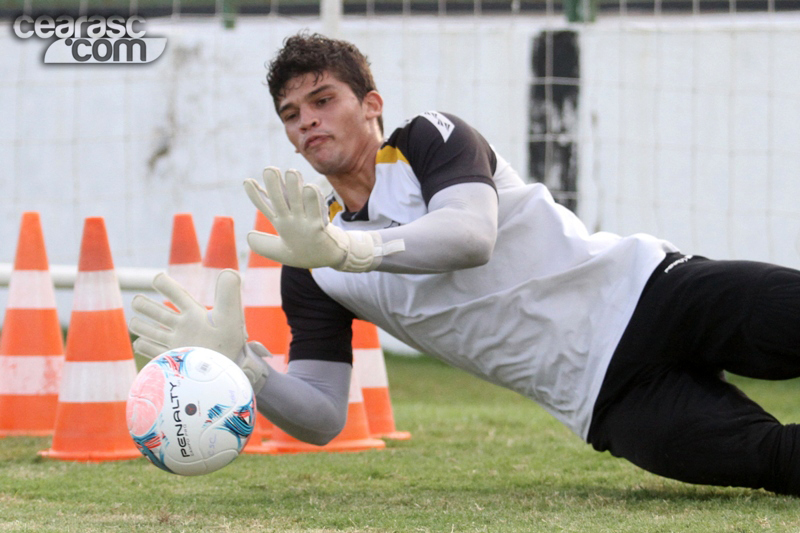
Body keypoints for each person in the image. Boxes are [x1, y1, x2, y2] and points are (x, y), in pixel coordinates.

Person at [129, 31, 800, 496]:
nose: (305, 120)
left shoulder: (426, 138)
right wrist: (247, 369)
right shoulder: (311, 263)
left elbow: (468, 235)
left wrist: (352, 250)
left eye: (322, 99)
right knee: (777, 461)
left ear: (371, 104)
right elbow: (325, 414)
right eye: (290, 113)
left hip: (653, 292)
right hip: (604, 399)